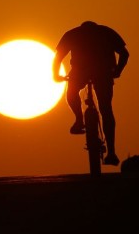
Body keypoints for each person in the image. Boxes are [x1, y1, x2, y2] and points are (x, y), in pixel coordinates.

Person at [52, 21, 129, 166]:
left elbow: (58, 57)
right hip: (104, 73)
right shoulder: (107, 32)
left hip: (80, 73)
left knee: (72, 92)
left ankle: (79, 120)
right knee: (106, 109)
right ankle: (111, 152)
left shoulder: (72, 34)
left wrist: (55, 75)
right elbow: (125, 54)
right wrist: (118, 71)